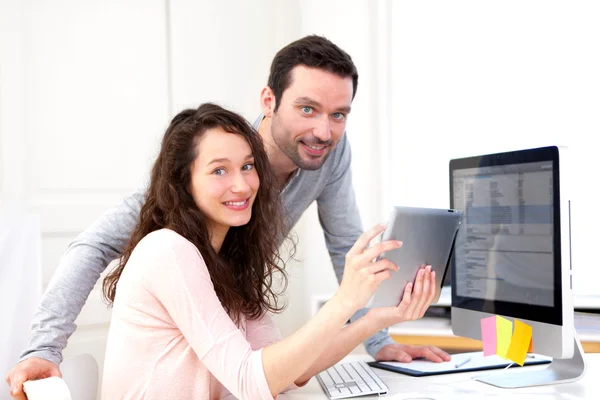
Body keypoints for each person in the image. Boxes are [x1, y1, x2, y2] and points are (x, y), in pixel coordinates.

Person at [5, 35, 450, 398]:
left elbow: (287, 364)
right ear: (269, 100)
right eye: (308, 109)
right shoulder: (173, 241)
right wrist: (43, 347)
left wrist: (378, 327)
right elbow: (95, 245)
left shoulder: (235, 260)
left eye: (339, 115)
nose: (324, 131)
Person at [98, 102, 436, 399]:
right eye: (219, 170)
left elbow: (288, 372)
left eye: (247, 166)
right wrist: (345, 300)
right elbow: (250, 380)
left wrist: (380, 317)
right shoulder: (168, 250)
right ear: (183, 183)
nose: (242, 185)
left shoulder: (227, 260)